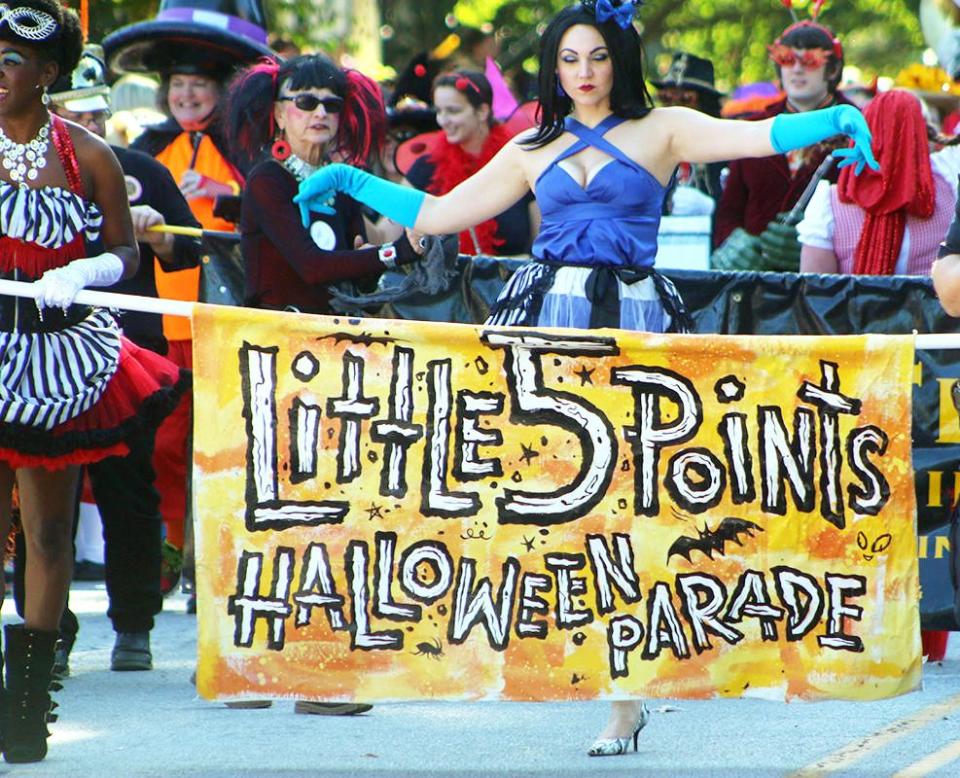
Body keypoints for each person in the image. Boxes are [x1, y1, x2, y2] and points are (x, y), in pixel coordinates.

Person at [293, 0, 877, 756]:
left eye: (597, 56)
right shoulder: (533, 143)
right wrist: (350, 178)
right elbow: (438, 214)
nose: (584, 73)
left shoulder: (662, 126)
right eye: (569, 59)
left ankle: (626, 694)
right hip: (552, 323)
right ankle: (588, 673)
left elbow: (754, 136)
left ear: (619, 59)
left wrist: (832, 121)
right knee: (557, 508)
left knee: (636, 510)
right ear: (552, 66)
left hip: (635, 323)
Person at [0, 1, 187, 763]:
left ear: (47, 75)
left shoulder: (88, 155)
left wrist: (83, 269)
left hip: (57, 359)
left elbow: (127, 254)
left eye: (11, 61)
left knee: (47, 529)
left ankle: (28, 701)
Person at [21, 44, 205, 677]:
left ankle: (133, 622)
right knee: (47, 507)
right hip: (29, 349)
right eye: (78, 110)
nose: (90, 123)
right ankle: (51, 633)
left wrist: (152, 235)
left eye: (98, 111)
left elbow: (189, 252)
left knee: (130, 489)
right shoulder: (26, 164)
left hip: (128, 350)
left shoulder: (136, 168)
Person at [103, 0, 274, 598]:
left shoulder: (248, 148)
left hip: (226, 313)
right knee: (169, 443)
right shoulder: (145, 148)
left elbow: (266, 208)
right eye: (177, 85)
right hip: (164, 317)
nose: (187, 95)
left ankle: (221, 561)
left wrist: (224, 192)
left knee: (229, 436)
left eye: (199, 85)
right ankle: (168, 555)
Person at [225, 54, 425, 318]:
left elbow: (361, 289)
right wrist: (394, 252)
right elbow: (312, 267)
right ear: (279, 115)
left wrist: (371, 267)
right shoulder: (267, 180)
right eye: (305, 102)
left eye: (331, 105)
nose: (320, 113)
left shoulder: (342, 181)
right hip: (276, 339)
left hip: (333, 338)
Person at [712, 16, 858, 271]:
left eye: (810, 60)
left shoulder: (860, 128)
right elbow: (729, 211)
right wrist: (733, 241)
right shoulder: (752, 126)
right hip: (754, 287)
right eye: (787, 59)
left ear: (833, 69)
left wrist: (817, 246)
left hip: (828, 290)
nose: (797, 69)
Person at [800, 89, 957, 277]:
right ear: (923, 134)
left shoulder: (828, 203)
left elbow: (816, 295)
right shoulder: (950, 179)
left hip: (856, 307)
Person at [401, 71, 539, 255]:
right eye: (439, 111)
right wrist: (350, 188)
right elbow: (383, 234)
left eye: (453, 111)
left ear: (482, 111)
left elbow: (544, 244)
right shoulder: (426, 167)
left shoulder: (519, 162)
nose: (442, 120)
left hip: (512, 281)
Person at [651, 51, 725, 215]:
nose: (674, 108)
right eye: (667, 98)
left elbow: (742, 211)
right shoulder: (648, 151)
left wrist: (712, 208)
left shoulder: (728, 151)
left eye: (686, 99)